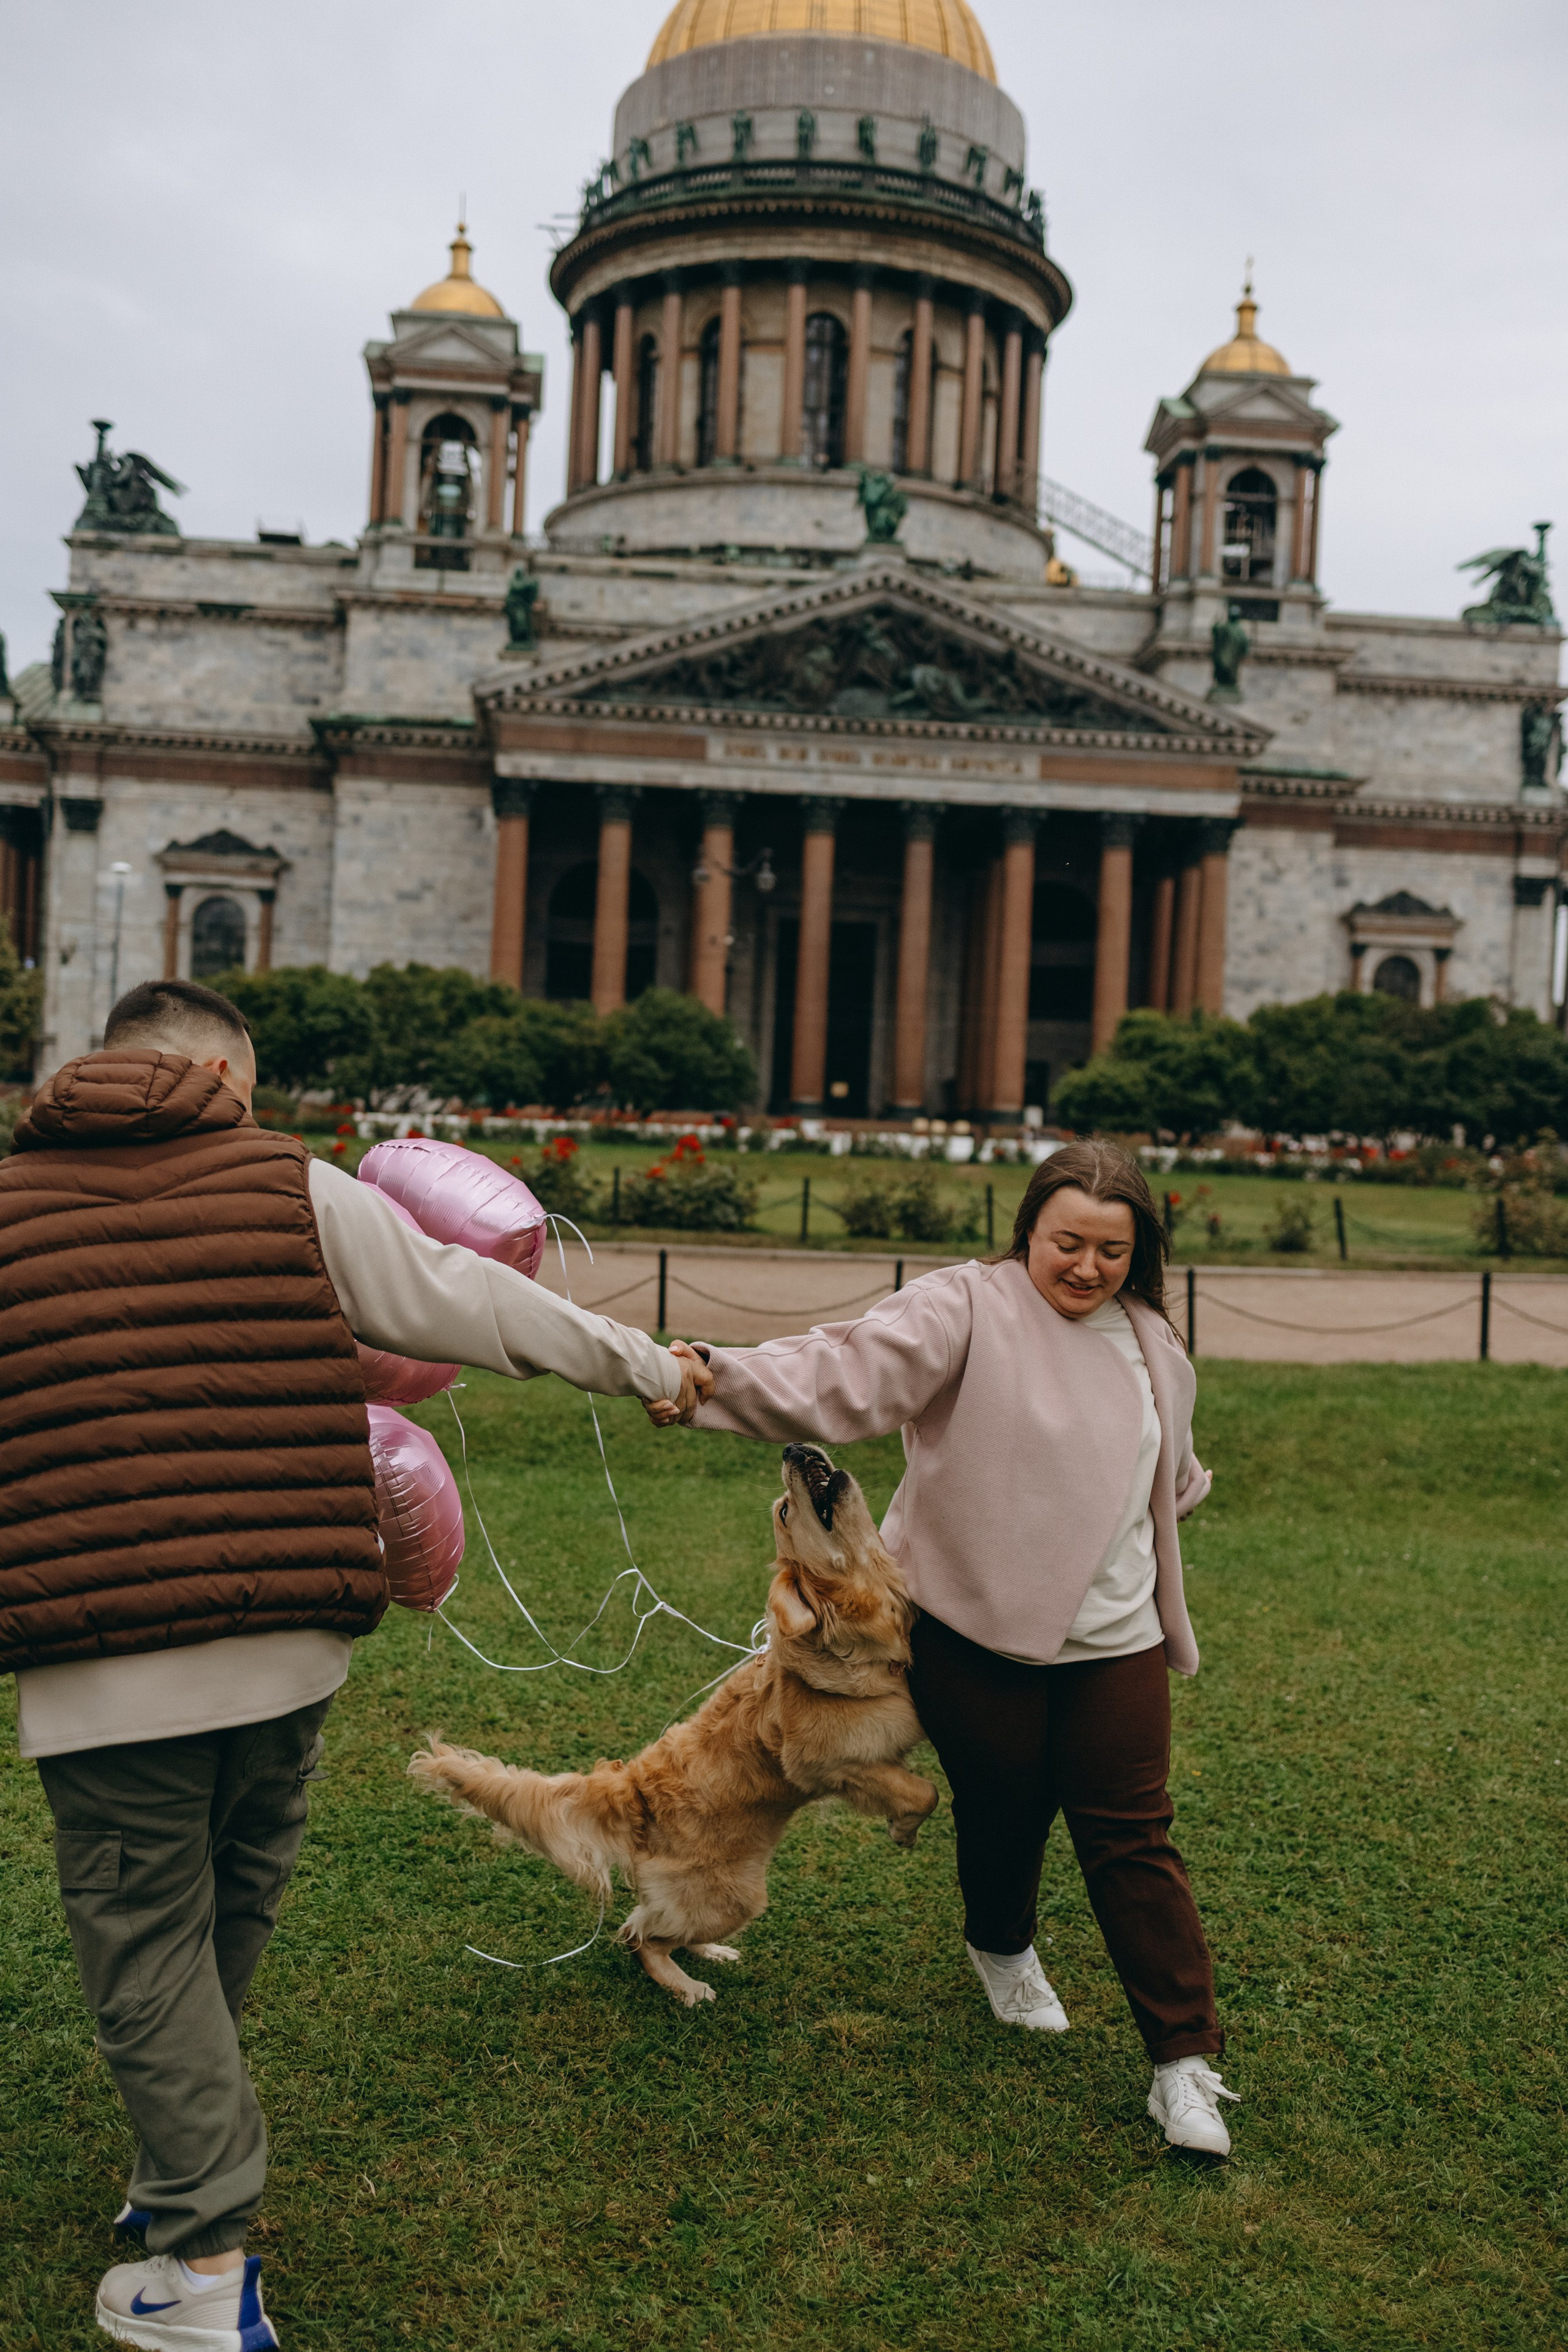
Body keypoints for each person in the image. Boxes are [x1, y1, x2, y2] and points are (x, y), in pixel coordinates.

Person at [2, 979, 702, 2351]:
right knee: (219, 1913)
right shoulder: (291, 1186)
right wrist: (653, 1369)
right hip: (289, 1643)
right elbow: (474, 1307)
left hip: (103, 1658)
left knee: (151, 1939)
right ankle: (184, 2185)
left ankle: (196, 2261)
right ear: (210, 1069)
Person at [654, 1139, 1238, 2157]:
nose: (1087, 1268)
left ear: (1139, 1253)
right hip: (976, 1637)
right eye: (1067, 1243)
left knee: (1132, 1835)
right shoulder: (968, 1306)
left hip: (1118, 1644)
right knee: (1008, 1809)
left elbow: (1174, 1471)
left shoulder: (1154, 1341)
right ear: (1030, 1233)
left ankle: (1182, 2066)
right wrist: (719, 1374)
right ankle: (1002, 1948)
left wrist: (1172, 1498)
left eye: (1111, 1249)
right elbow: (845, 1371)